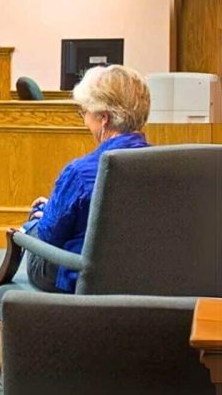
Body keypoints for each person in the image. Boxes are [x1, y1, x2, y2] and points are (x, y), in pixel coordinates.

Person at [24, 64, 151, 293]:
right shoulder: (164, 164)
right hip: (144, 273)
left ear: (104, 118)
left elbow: (49, 236)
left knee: (34, 227)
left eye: (85, 113)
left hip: (86, 277)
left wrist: (37, 219)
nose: (85, 121)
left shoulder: (80, 173)